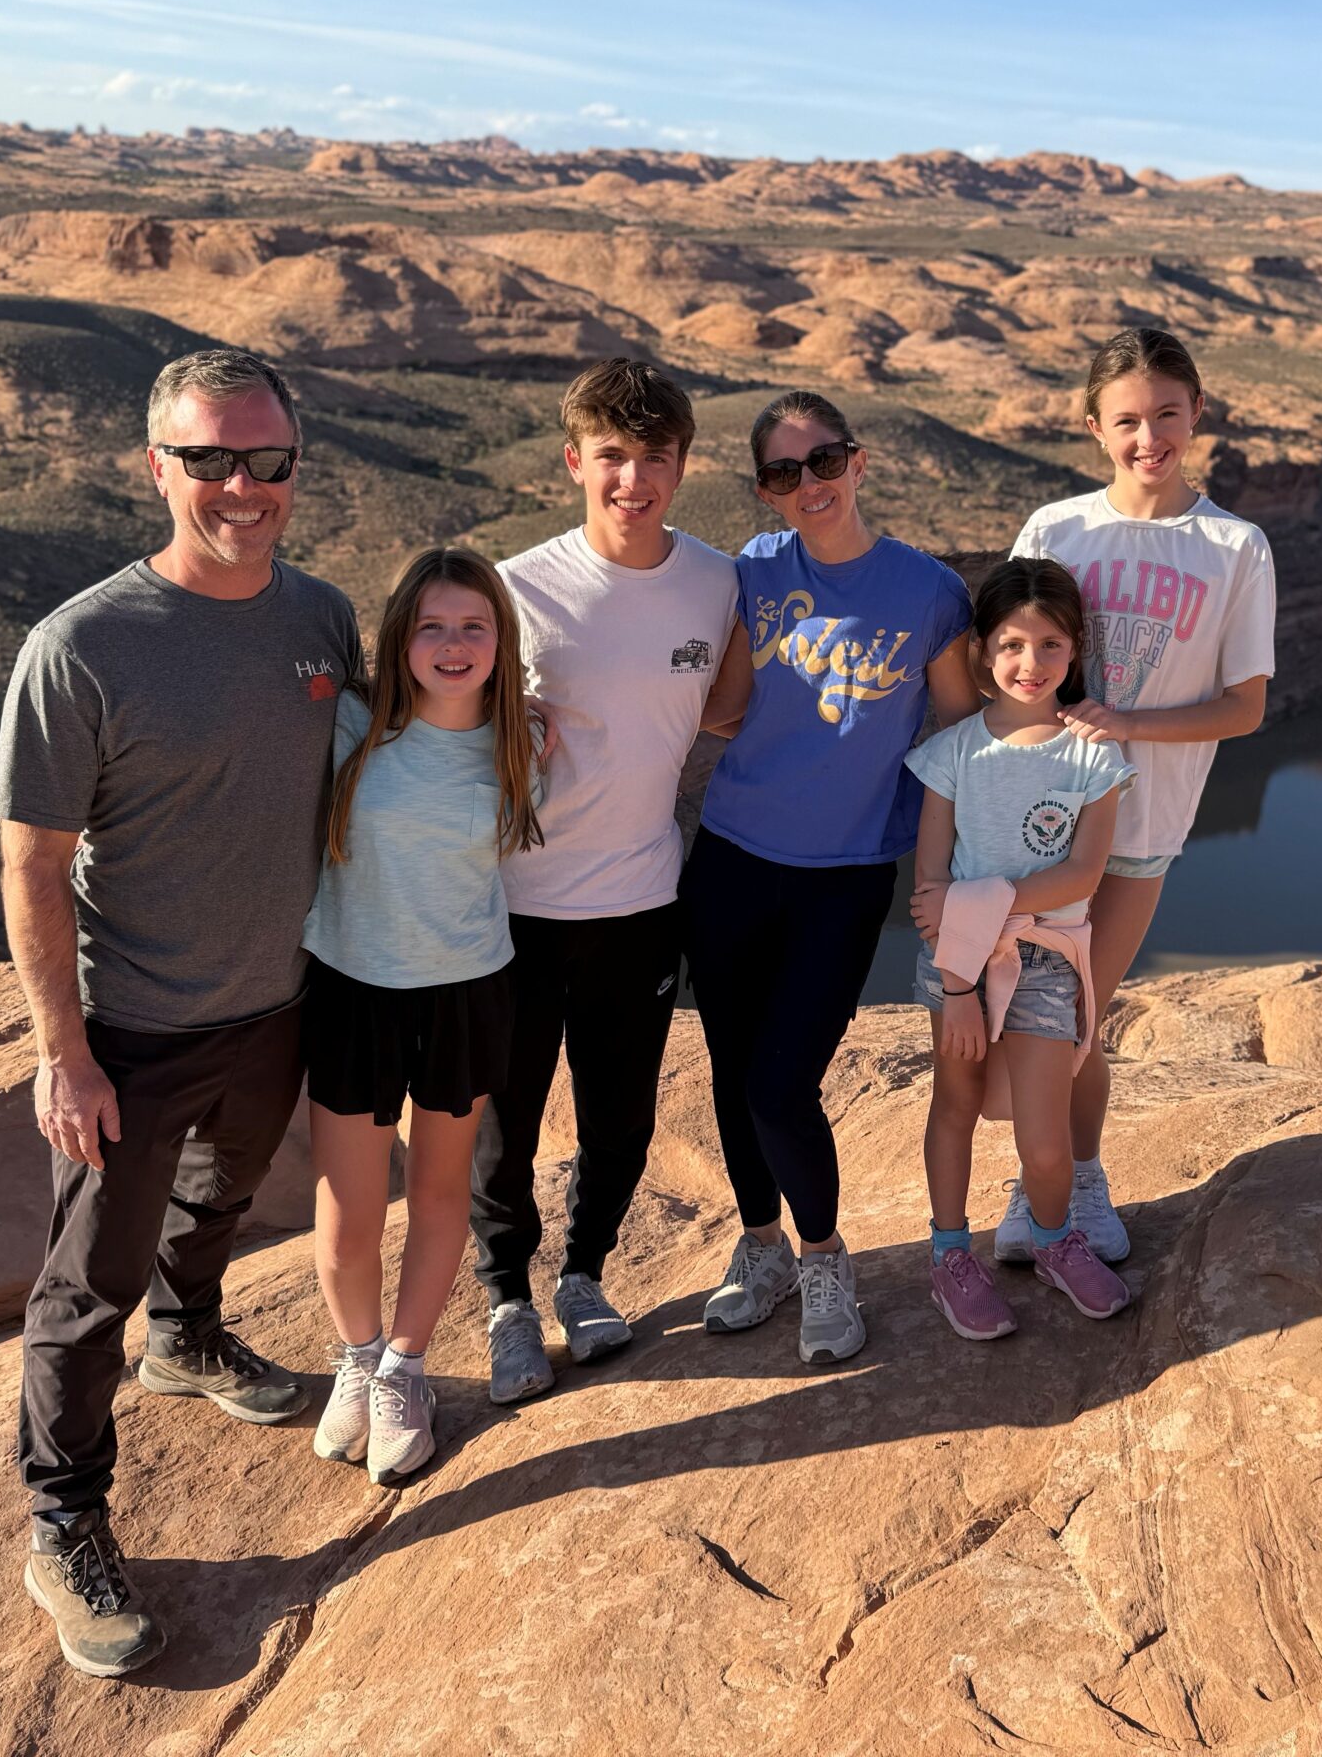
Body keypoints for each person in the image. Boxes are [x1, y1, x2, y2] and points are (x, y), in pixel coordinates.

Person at [0, 347, 360, 1679]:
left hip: (278, 999)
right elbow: (32, 866)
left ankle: (191, 1336)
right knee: (86, 1285)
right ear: (157, 468)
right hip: (132, 1026)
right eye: (209, 459)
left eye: (268, 460)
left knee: (224, 1193)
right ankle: (64, 1522)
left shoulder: (320, 617)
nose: (242, 486)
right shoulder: (82, 647)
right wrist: (64, 1054)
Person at [685, 390, 977, 1363]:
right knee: (734, 1074)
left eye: (822, 461)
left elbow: (957, 734)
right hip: (731, 857)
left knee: (781, 1084)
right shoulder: (753, 573)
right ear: (765, 491)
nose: (807, 484)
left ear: (858, 462)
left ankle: (822, 1258)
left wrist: (949, 866)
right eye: (783, 472)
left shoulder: (929, 592)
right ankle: (760, 1247)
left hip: (844, 877)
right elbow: (725, 707)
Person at [469, 359, 739, 1405]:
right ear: (573, 461)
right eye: (612, 457)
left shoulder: (716, 583)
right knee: (507, 1120)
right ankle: (506, 1300)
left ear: (683, 464)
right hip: (517, 907)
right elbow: (443, 724)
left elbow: (730, 710)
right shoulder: (514, 588)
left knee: (620, 1115)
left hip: (642, 902)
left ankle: (582, 1277)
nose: (634, 479)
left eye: (654, 457)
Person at [995, 327, 1276, 1265]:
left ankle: (1074, 1182)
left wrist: (1126, 725)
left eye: (1166, 414)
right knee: (1038, 1017)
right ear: (1093, 427)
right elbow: (1009, 661)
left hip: (1144, 822)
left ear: (1197, 413)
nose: (1148, 437)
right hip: (1040, 817)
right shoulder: (1056, 530)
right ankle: (1047, 1184)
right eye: (1126, 421)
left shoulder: (1235, 547)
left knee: (1076, 1015)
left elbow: (1244, 708)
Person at [302, 548, 543, 1482]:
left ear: (500, 640)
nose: (453, 644)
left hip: (467, 993)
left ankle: (405, 1370)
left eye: (473, 626)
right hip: (353, 988)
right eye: (433, 626)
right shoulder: (351, 727)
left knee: (441, 1194)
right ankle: (358, 1359)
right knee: (349, 1211)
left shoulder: (519, 743)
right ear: (401, 636)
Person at [908, 559, 1134, 1338]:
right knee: (956, 1107)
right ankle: (949, 1257)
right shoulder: (954, 753)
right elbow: (929, 888)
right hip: (959, 965)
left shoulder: (1093, 756)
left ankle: (1052, 1240)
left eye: (1049, 645)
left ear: (1075, 650)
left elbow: (1083, 873)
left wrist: (981, 904)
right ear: (981, 649)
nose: (1029, 663)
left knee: (1045, 1142)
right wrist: (959, 987)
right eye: (1010, 644)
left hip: (1045, 960)